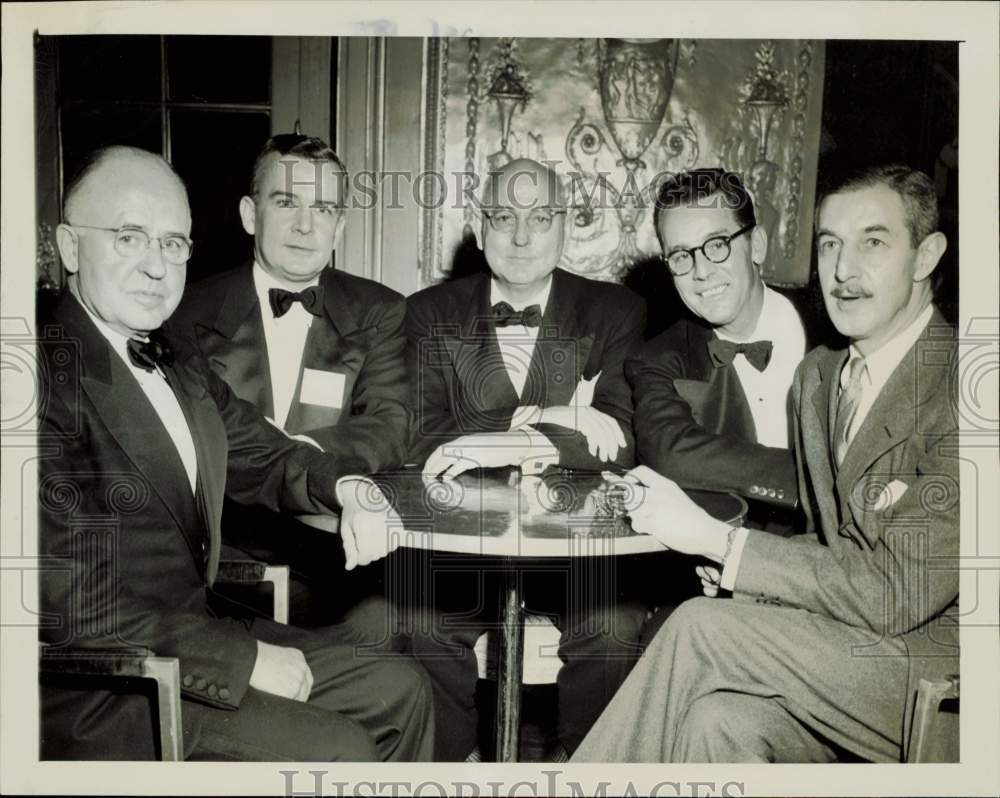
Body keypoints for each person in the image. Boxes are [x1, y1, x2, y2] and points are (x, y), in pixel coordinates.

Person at [38, 145, 433, 761]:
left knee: (400, 689)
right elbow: (63, 601)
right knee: (339, 747)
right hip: (104, 684)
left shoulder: (174, 357)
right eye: (129, 237)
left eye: (173, 244)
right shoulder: (34, 381)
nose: (155, 266)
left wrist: (349, 488)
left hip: (192, 628)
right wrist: (241, 659)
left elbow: (267, 453)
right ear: (68, 247)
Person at [571, 164, 958, 763]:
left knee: (701, 628)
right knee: (718, 721)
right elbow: (840, 546)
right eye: (829, 245)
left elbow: (895, 592)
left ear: (927, 255)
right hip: (850, 642)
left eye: (872, 243)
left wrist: (728, 548)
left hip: (948, 673)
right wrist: (750, 579)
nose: (843, 270)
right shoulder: (822, 378)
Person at [405, 158, 648, 760]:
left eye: (539, 218)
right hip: (462, 545)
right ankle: (452, 769)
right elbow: (417, 437)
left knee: (614, 629)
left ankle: (588, 771)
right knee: (418, 622)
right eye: (504, 218)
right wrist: (557, 420)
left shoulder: (616, 311)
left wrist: (491, 438)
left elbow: (623, 438)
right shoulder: (427, 312)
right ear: (480, 224)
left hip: (579, 550)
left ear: (564, 225)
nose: (520, 236)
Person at [172, 134, 408, 632]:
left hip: (335, 553)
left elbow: (389, 422)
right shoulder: (182, 312)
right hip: (219, 562)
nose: (305, 225)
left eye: (323, 209)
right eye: (286, 202)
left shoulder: (380, 310)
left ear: (340, 226)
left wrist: (299, 458)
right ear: (249, 214)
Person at [627, 168, 805, 638]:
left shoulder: (839, 332)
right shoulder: (658, 357)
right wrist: (810, 477)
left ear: (758, 246)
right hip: (715, 584)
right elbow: (667, 451)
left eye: (718, 244)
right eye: (681, 256)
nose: (702, 270)